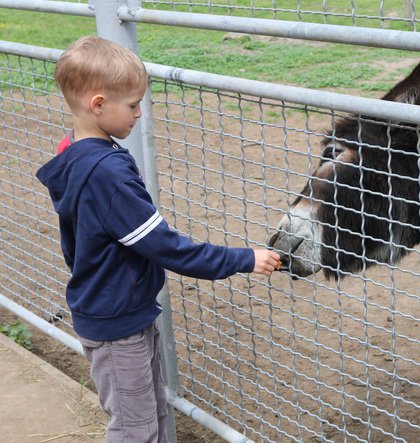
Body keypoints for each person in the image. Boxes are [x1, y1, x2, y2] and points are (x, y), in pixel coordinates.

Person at [36, 35, 281, 442]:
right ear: (98, 105)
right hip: (117, 324)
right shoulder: (107, 175)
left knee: (151, 412)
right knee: (136, 428)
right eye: (132, 105)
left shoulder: (74, 152)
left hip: (120, 309)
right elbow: (166, 247)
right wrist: (244, 259)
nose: (138, 114)